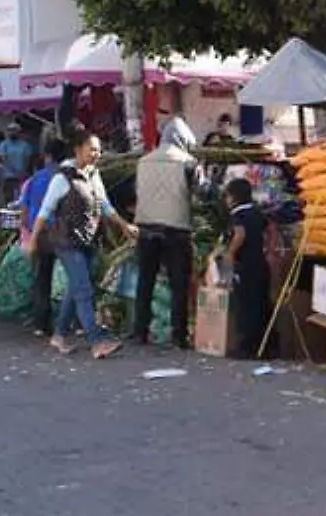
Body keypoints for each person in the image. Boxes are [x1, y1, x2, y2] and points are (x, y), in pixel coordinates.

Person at [26, 125, 137, 359]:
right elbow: (44, 213)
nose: (96, 154)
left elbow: (105, 206)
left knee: (76, 289)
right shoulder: (62, 178)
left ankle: (59, 334)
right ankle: (97, 340)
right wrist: (33, 241)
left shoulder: (94, 176)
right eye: (92, 149)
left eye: (98, 150)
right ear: (77, 150)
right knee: (84, 290)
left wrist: (125, 226)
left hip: (87, 239)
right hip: (66, 242)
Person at [132, 118, 200, 348]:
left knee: (145, 281)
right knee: (178, 284)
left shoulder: (143, 161)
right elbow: (201, 192)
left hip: (146, 229)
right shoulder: (188, 163)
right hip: (176, 231)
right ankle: (179, 335)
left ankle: (139, 331)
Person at [216, 177, 271, 358]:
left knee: (246, 307)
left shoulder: (238, 215)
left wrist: (230, 252)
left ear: (233, 197)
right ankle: (264, 346)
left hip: (246, 266)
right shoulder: (257, 213)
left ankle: (247, 347)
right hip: (261, 265)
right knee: (261, 305)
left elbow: (240, 234)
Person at [18, 139, 66, 336]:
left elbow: (24, 209)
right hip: (61, 232)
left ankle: (41, 323)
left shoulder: (35, 178)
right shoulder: (67, 177)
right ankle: (68, 323)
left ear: (47, 156)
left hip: (39, 232)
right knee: (73, 276)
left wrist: (26, 230)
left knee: (42, 277)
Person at [0, 126, 36, 198]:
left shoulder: (25, 145)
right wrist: (13, 170)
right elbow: (3, 159)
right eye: (10, 130)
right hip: (8, 176)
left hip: (22, 176)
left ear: (18, 132)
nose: (12, 132)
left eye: (14, 130)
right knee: (8, 198)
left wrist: (22, 171)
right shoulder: (3, 145)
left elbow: (27, 160)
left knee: (22, 197)